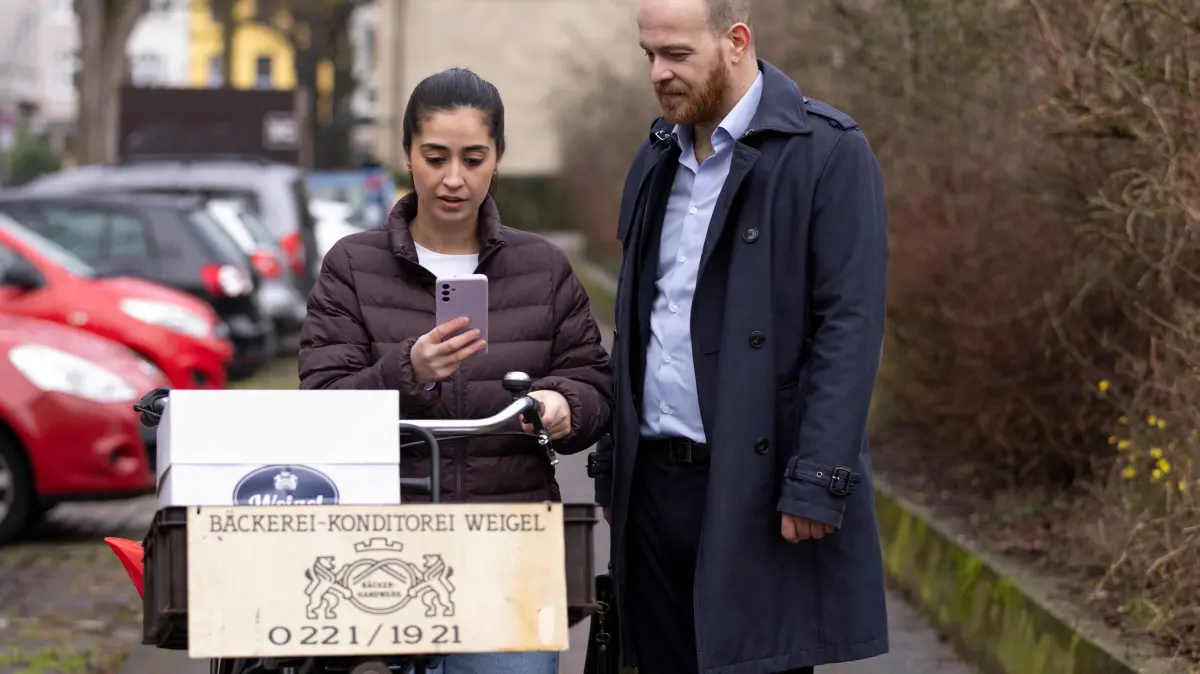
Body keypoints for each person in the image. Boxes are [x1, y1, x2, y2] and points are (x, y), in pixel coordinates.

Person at [587, 0, 891, 672]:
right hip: (653, 487)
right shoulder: (656, 158)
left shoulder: (830, 153)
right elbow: (638, 325)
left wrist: (817, 479)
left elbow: (850, 327)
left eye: (675, 55)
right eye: (649, 56)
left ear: (735, 40)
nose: (658, 73)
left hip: (756, 491)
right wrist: (613, 465)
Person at [299, 67, 613, 674]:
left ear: (498, 157)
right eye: (435, 156)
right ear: (407, 155)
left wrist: (560, 406)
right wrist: (406, 368)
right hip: (378, 551)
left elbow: (592, 379)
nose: (453, 179)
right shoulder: (353, 265)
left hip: (510, 548)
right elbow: (321, 403)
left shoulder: (541, 267)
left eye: (473, 158)